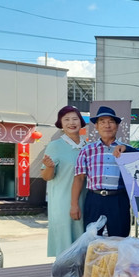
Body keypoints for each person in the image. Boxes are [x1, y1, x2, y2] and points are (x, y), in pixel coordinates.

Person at [71, 106, 132, 237]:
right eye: (102, 122)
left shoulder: (127, 150)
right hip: (94, 200)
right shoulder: (87, 150)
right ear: (96, 126)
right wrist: (74, 205)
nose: (107, 125)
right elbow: (79, 178)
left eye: (111, 122)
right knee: (92, 239)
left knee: (119, 240)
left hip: (119, 199)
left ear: (117, 126)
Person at [41, 105, 87, 256]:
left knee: (83, 242)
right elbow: (46, 176)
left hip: (86, 199)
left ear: (81, 122)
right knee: (65, 242)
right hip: (63, 202)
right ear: (60, 123)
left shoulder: (88, 147)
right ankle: (63, 270)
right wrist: (50, 167)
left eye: (75, 119)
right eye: (66, 119)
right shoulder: (55, 146)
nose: (71, 122)